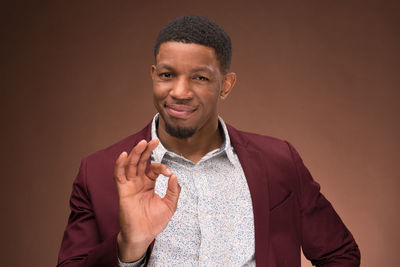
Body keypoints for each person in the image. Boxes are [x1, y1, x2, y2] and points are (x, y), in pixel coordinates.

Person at [58, 15, 360, 267]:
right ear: (153, 75)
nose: (179, 91)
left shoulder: (278, 161)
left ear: (225, 85)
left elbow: (340, 255)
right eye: (167, 74)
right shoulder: (99, 172)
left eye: (200, 78)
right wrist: (128, 247)